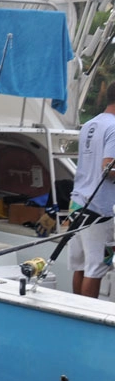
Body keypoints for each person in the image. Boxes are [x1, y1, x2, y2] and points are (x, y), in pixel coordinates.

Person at [66, 83, 115, 297]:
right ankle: (88, 319)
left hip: (77, 203)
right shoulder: (114, 127)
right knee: (95, 268)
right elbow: (109, 168)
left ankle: (76, 314)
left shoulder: (90, 124)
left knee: (81, 265)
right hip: (100, 210)